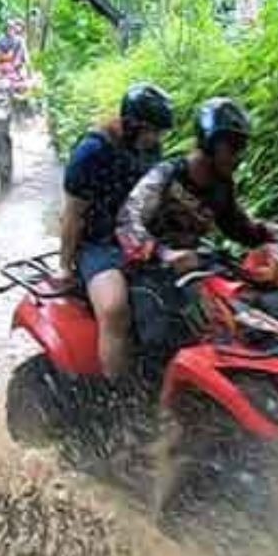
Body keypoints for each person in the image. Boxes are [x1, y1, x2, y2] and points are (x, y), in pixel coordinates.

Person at [116, 97, 278, 348]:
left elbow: (237, 227)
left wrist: (268, 236)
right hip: (146, 270)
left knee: (251, 299)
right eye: (233, 146)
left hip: (194, 266)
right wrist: (163, 253)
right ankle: (149, 380)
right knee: (166, 335)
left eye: (242, 146)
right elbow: (127, 221)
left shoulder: (221, 186)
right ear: (210, 143)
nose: (239, 156)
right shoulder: (166, 175)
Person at [60, 83, 174, 378]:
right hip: (98, 244)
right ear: (132, 125)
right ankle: (118, 396)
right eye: (152, 131)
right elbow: (73, 216)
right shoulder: (92, 152)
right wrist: (66, 266)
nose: (157, 139)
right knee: (113, 308)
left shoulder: (149, 149)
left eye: (160, 133)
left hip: (139, 235)